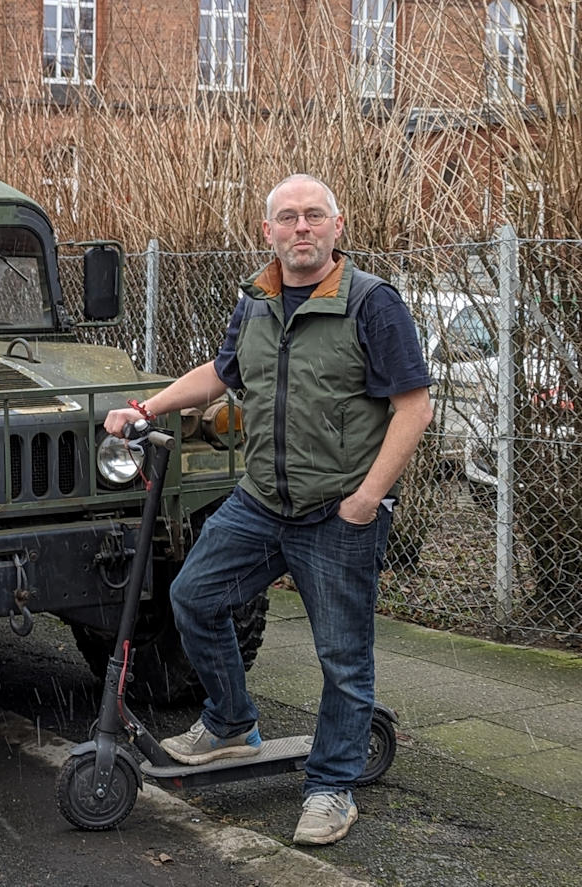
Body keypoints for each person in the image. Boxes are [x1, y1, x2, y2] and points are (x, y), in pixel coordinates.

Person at [105, 173, 433, 846]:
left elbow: (414, 406)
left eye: (315, 216)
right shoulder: (254, 302)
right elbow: (221, 374)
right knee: (194, 596)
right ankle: (229, 720)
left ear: (338, 227)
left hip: (337, 512)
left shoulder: (373, 304)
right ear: (269, 233)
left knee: (343, 658)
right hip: (260, 503)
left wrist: (366, 500)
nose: (301, 227)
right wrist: (146, 407)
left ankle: (331, 786)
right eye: (288, 217)